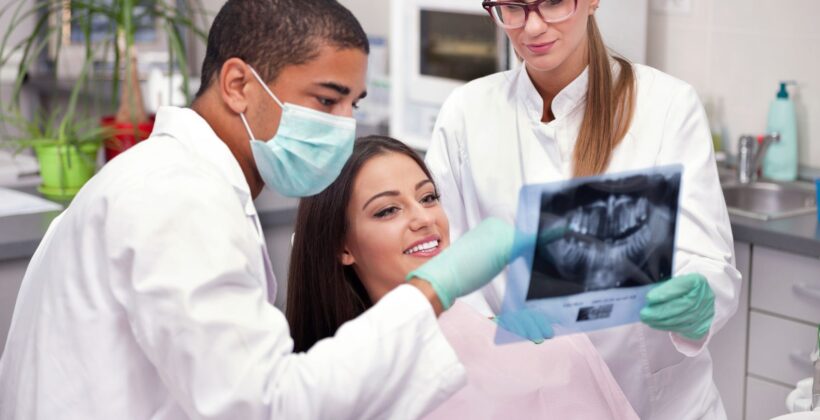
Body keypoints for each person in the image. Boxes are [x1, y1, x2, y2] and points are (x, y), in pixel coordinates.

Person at [0, 1, 516, 419]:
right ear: (239, 85)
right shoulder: (175, 198)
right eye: (326, 101)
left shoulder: (179, 183)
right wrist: (432, 288)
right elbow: (267, 405)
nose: (344, 127)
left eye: (352, 105)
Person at [424, 0, 741, 419]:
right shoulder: (466, 113)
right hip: (525, 396)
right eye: (512, 8)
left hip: (656, 403)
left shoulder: (666, 106)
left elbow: (707, 258)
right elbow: (440, 260)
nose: (533, 27)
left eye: (553, 2)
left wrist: (699, 297)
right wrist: (486, 325)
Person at [286, 135, 639, 419]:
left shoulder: (530, 342)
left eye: (428, 197)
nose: (424, 218)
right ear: (342, 247)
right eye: (388, 210)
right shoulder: (338, 383)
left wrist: (560, 349)